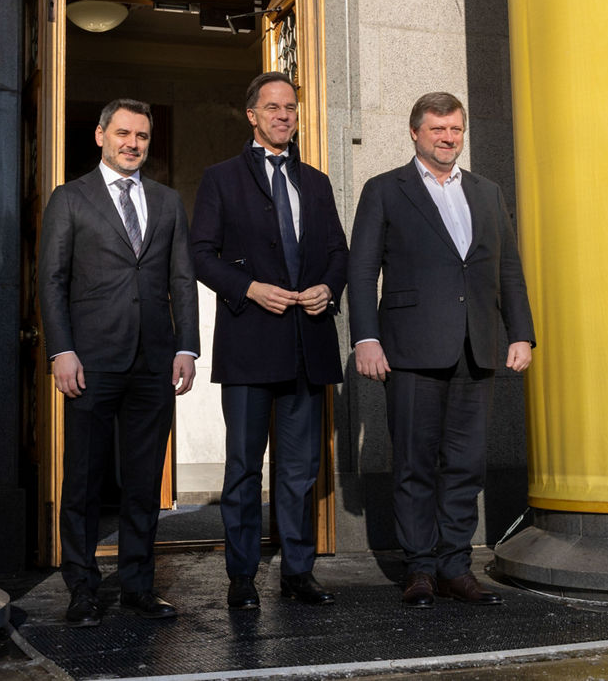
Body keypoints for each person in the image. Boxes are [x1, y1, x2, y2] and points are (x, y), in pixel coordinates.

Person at [348, 91, 535, 608]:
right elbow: (362, 271)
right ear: (415, 132)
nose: (448, 138)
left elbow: (508, 271)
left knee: (465, 464)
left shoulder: (487, 191)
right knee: (413, 463)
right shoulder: (385, 190)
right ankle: (420, 569)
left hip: (476, 348)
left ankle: (456, 566)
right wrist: (366, 338)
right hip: (409, 350)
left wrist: (520, 332)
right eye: (437, 130)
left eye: (455, 130)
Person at [38, 99, 199, 627]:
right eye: (124, 133)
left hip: (153, 360)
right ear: (101, 136)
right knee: (83, 480)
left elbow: (181, 280)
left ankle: (137, 586)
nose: (134, 144)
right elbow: (52, 281)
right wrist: (61, 351)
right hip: (90, 359)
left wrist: (186, 347)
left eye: (143, 136)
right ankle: (82, 588)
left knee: (143, 481)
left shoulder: (168, 201)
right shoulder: (70, 198)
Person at [191, 72, 349, 610]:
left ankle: (298, 573)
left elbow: (338, 253)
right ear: (252, 116)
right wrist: (251, 288)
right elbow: (201, 255)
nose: (284, 115)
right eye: (273, 107)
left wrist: (329, 286)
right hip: (250, 345)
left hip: (307, 345)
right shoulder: (220, 179)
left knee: (300, 468)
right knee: (242, 468)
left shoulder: (317, 182)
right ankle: (241, 578)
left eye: (291, 107)